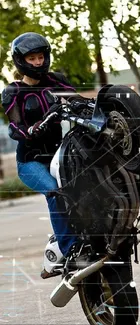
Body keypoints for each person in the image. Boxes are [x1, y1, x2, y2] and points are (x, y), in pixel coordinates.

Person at [1, 32, 90, 278]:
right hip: (30, 161)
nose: (38, 62)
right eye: (32, 58)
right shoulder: (13, 91)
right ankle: (71, 249)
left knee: (88, 185)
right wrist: (30, 129)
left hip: (58, 155)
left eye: (41, 57)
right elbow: (15, 126)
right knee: (55, 192)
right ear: (21, 60)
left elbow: (78, 101)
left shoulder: (56, 81)